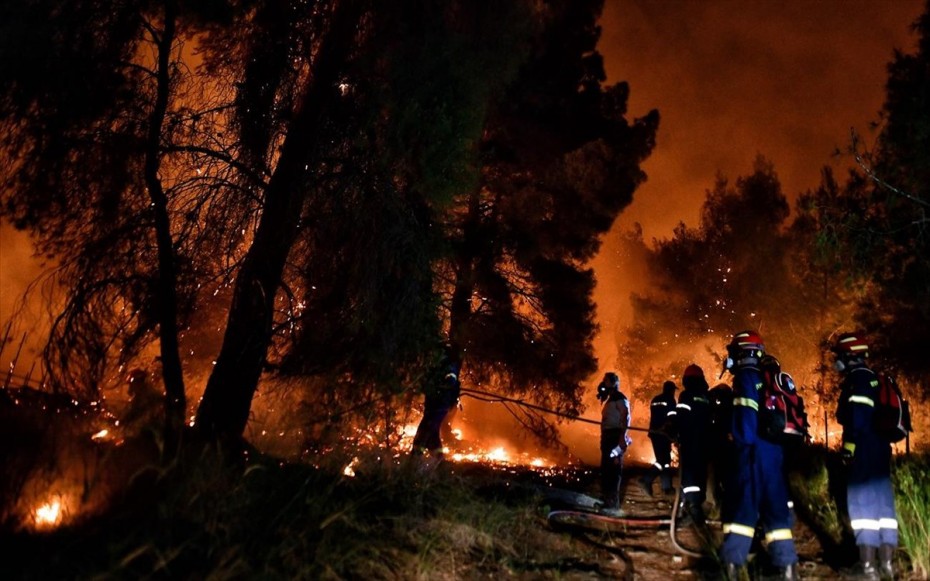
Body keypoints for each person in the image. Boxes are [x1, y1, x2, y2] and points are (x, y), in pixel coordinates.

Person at [719, 330, 799, 580]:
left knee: (743, 506)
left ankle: (732, 566)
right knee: (775, 508)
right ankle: (787, 568)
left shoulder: (745, 378)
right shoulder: (770, 378)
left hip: (751, 452)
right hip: (774, 453)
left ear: (742, 353)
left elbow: (745, 422)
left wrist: (737, 441)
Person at [832, 332, 898, 580]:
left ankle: (868, 568)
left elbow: (857, 421)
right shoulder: (874, 379)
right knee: (883, 503)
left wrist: (848, 450)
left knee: (862, 504)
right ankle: (887, 565)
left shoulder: (857, 380)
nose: (836, 361)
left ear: (850, 357)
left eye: (839, 356)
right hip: (880, 448)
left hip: (864, 448)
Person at [675, 364, 712, 525]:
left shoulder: (686, 395)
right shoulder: (706, 395)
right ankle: (692, 506)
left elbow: (681, 416)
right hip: (705, 441)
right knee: (700, 473)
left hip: (690, 440)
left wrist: (674, 432)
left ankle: (693, 510)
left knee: (689, 475)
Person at [412, 352, 462, 460]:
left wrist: (438, 386)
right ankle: (439, 463)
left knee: (424, 432)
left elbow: (451, 379)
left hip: (440, 405)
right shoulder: (435, 362)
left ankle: (414, 461)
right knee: (432, 435)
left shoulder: (448, 362)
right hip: (433, 404)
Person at [597, 371, 631, 517]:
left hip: (615, 437)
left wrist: (622, 437)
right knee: (606, 468)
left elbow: (626, 416)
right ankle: (607, 501)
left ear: (612, 382)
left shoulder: (619, 398)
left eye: (606, 381)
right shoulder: (610, 399)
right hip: (607, 437)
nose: (603, 383)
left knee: (614, 468)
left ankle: (613, 503)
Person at [638, 380, 677, 497]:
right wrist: (674, 435)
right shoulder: (670, 400)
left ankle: (667, 487)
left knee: (664, 461)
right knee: (662, 461)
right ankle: (646, 479)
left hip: (654, 433)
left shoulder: (655, 399)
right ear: (671, 390)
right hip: (663, 434)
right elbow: (672, 419)